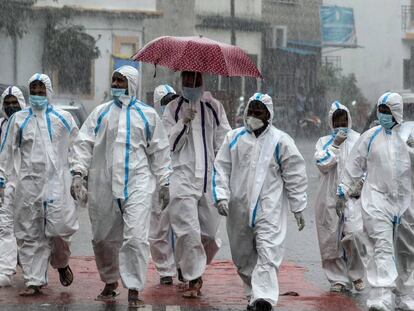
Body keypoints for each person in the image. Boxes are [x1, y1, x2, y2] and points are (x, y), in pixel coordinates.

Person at [70, 65, 171, 308]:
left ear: (132, 84)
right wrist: (77, 172)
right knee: (103, 238)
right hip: (103, 184)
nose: (116, 85)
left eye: (121, 81)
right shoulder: (100, 113)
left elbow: (159, 150)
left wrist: (164, 181)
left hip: (138, 184)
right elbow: (84, 143)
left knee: (136, 238)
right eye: (114, 81)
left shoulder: (147, 116)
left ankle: (134, 288)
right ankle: (110, 280)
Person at [213, 93, 307, 311]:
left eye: (259, 112)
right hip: (238, 209)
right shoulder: (233, 138)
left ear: (269, 115)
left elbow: (295, 174)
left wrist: (298, 206)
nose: (253, 116)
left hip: (269, 209)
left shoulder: (280, 141)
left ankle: (263, 299)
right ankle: (254, 292)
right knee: (242, 257)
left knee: (267, 252)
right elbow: (221, 169)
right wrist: (221, 195)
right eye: (251, 111)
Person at [0, 74, 78, 295]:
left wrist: (78, 175)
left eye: (40, 89)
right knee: (29, 232)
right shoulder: (19, 120)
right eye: (33, 90)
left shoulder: (63, 118)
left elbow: (77, 146)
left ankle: (61, 263)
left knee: (59, 230)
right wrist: (1, 179)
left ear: (49, 91)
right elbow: (6, 152)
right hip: (28, 185)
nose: (37, 94)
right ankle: (34, 281)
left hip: (57, 184)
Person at [337, 92, 414, 311]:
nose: (383, 116)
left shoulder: (409, 134)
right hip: (377, 199)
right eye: (380, 111)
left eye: (387, 112)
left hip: (408, 202)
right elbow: (355, 163)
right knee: (380, 245)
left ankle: (406, 293)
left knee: (407, 250)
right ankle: (381, 295)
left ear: (397, 113)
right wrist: (343, 188)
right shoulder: (370, 137)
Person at [163, 71, 231, 297]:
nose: (191, 84)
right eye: (187, 80)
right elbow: (168, 145)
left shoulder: (214, 107)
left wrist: (225, 171)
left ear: (202, 82)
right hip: (182, 176)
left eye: (196, 80)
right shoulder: (172, 108)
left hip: (208, 177)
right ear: (181, 81)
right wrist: (183, 123)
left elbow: (224, 139)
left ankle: (189, 262)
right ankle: (194, 278)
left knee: (210, 235)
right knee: (188, 231)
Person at [314, 101, 366, 293]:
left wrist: (360, 183)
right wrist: (335, 145)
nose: (341, 125)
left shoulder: (359, 140)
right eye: (337, 121)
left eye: (344, 120)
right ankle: (337, 279)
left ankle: (356, 274)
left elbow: (366, 164)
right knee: (330, 240)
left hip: (353, 198)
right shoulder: (323, 142)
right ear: (331, 123)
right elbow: (322, 164)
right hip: (328, 198)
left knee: (354, 235)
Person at [150, 84, 179, 285]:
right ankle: (165, 270)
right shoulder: (150, 123)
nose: (170, 104)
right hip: (156, 180)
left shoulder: (184, 121)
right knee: (159, 228)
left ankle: (184, 265)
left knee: (182, 226)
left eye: (172, 100)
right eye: (166, 101)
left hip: (179, 180)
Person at [0, 86, 26, 287]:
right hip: (6, 183)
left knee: (29, 229)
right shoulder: (1, 125)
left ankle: (34, 267)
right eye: (7, 103)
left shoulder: (30, 123)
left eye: (14, 102)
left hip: (27, 183)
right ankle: (6, 270)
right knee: (5, 227)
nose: (10, 107)